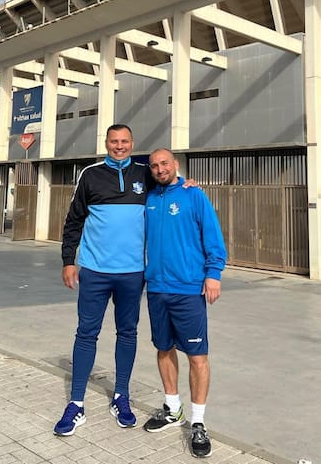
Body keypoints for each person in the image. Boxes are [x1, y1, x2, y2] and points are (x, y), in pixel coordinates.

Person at [54, 124, 195, 437]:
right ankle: (76, 403)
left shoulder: (144, 173)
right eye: (114, 141)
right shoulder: (90, 174)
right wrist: (68, 261)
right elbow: (74, 220)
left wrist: (186, 183)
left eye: (125, 141)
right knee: (86, 333)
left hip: (132, 273)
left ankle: (121, 396)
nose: (119, 146)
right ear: (106, 142)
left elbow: (168, 182)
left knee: (127, 332)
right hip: (94, 270)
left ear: (133, 143)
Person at [143, 148, 226, 458]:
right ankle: (173, 409)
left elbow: (213, 237)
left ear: (175, 164)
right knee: (163, 349)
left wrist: (213, 274)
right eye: (154, 165)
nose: (160, 168)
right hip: (157, 289)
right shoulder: (149, 199)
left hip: (188, 290)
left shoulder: (194, 196)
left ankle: (199, 423)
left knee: (196, 356)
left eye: (165, 163)